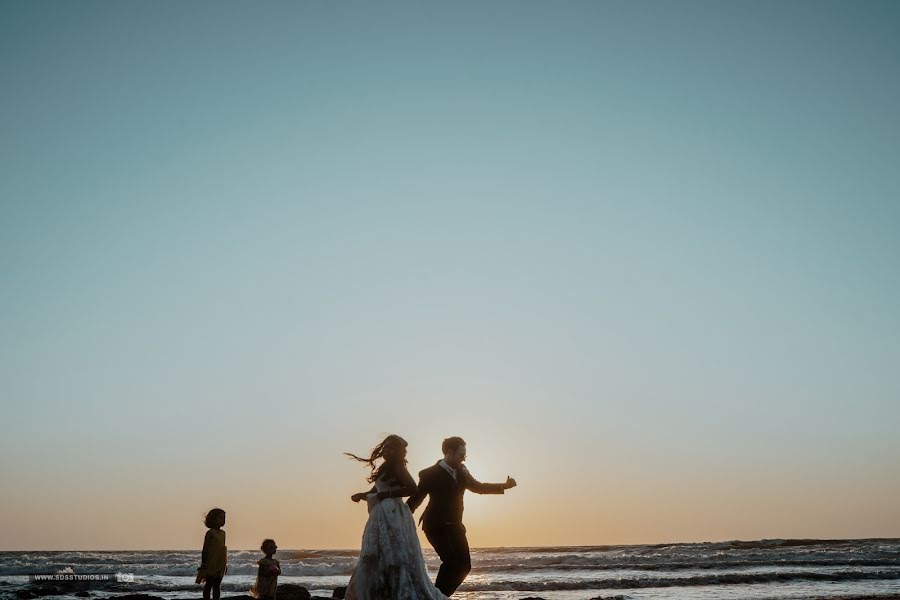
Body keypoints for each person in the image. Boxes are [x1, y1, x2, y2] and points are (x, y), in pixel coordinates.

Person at [407, 437, 517, 596]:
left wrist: (503, 486)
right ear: (450, 452)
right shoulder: (429, 474)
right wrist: (400, 514)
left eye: (464, 455)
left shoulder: (462, 470)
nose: (464, 458)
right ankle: (437, 597)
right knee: (451, 562)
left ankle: (439, 596)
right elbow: (417, 498)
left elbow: (478, 487)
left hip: (456, 525)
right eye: (461, 455)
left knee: (465, 566)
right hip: (435, 525)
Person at [344, 435, 449, 600]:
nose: (386, 449)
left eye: (390, 447)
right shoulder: (386, 467)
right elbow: (376, 491)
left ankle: (396, 591)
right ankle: (381, 591)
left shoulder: (398, 466)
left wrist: (388, 494)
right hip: (381, 513)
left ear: (397, 451)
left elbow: (412, 488)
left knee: (396, 553)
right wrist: (362, 495)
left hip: (394, 513)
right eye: (385, 446)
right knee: (378, 553)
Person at [196, 508, 227, 600]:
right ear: (213, 519)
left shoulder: (223, 533)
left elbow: (222, 549)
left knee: (217, 584)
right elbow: (205, 548)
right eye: (221, 518)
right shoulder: (210, 533)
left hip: (220, 562)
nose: (223, 520)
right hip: (211, 562)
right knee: (209, 583)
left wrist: (225, 564)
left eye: (224, 518)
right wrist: (204, 562)